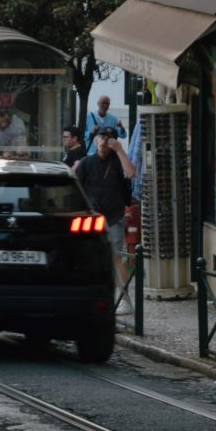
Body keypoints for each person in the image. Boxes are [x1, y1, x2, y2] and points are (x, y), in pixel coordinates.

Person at [74, 125, 136, 305]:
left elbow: (131, 173)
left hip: (114, 217)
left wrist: (120, 150)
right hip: (91, 219)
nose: (104, 141)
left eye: (109, 138)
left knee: (115, 258)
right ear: (95, 140)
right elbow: (78, 191)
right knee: (89, 258)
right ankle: (90, 297)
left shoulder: (117, 161)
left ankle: (124, 299)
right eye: (101, 137)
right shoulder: (86, 163)